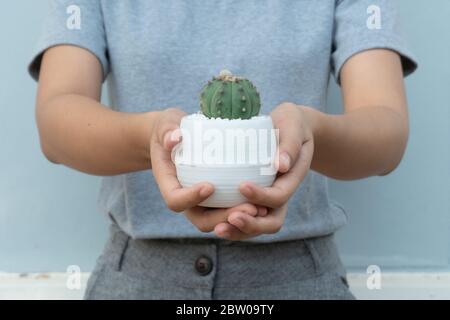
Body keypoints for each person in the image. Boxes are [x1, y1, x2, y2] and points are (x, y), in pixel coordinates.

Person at [29, 0, 417, 299]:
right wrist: (151, 139)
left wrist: (311, 132)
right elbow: (56, 122)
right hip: (138, 276)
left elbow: (387, 131)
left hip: (299, 276)